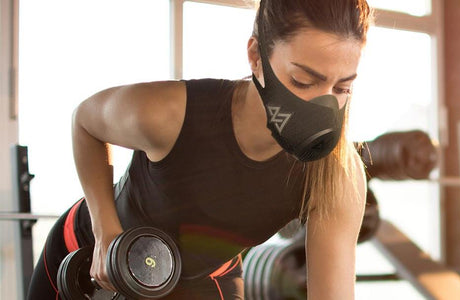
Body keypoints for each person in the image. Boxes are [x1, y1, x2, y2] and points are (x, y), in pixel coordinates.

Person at [27, 0, 372, 298]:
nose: (323, 106)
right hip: (93, 256)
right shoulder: (169, 113)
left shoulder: (337, 174)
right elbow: (85, 122)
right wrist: (106, 233)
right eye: (303, 81)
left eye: (342, 87)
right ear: (256, 56)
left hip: (200, 281)